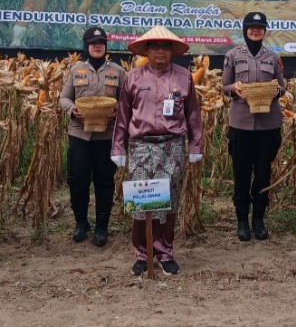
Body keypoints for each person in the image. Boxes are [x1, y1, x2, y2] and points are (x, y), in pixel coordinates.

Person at [111, 26, 203, 276]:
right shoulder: (134, 78)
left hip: (172, 145)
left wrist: (196, 145)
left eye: (165, 47)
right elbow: (123, 116)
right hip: (141, 146)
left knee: (169, 202)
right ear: (147, 50)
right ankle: (142, 253)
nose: (160, 51)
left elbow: (193, 114)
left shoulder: (184, 77)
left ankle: (165, 251)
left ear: (172, 51)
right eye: (155, 46)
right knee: (141, 200)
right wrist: (118, 146)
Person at [59, 26, 125, 246]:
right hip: (79, 134)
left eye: (101, 42)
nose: (97, 46)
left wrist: (118, 111)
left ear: (105, 46)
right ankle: (80, 223)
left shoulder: (117, 71)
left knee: (104, 181)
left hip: (106, 136)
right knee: (78, 179)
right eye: (93, 42)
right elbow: (64, 98)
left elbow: (125, 100)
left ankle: (102, 226)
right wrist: (72, 110)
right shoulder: (76, 70)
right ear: (86, 46)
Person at [222, 12, 286, 241]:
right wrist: (234, 88)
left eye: (260, 27)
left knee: (262, 173)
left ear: (265, 30)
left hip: (268, 125)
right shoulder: (232, 55)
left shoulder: (273, 56)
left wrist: (276, 90)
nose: (256, 30)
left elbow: (283, 87)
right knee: (241, 172)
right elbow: (225, 86)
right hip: (241, 124)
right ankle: (242, 220)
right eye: (251, 27)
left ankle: (258, 219)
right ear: (245, 29)